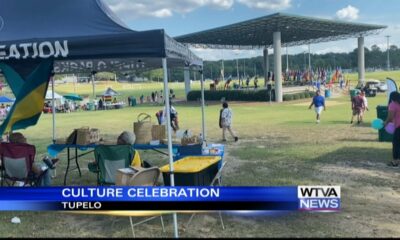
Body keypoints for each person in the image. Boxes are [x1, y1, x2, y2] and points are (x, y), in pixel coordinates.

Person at [384, 92, 400, 167]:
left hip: (399, 127)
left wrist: (385, 123)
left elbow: (390, 117)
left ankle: (395, 161)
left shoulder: (393, 104)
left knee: (396, 144)